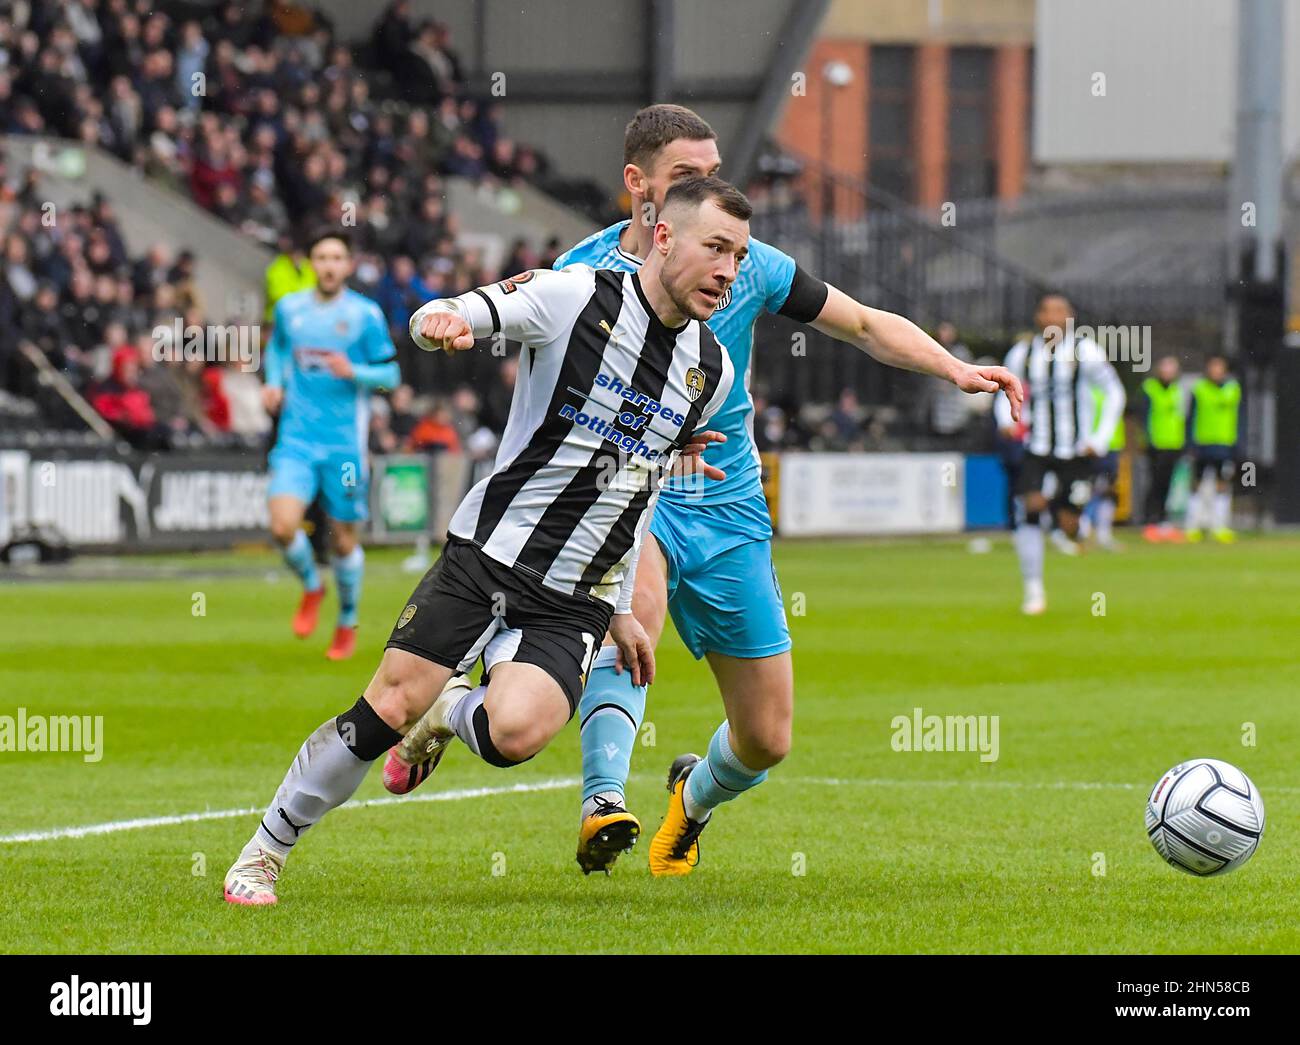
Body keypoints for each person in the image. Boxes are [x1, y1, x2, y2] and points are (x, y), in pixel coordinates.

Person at [387, 105, 1021, 878]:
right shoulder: (580, 273)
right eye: (689, 175)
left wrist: (955, 368)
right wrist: (455, 328)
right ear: (639, 185)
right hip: (624, 498)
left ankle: (691, 796)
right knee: (634, 613)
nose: (710, 187)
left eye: (715, 172)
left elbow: (858, 324)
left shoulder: (744, 260)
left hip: (730, 505)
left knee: (766, 736)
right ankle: (603, 801)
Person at [223, 176, 741, 905]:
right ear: (664, 237)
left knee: (516, 734)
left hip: (577, 595)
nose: (728, 270)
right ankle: (263, 852)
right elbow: (477, 304)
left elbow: (640, 489)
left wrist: (623, 605)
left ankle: (450, 709)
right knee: (384, 713)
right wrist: (444, 317)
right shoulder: (575, 296)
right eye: (716, 248)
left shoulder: (710, 371)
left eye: (739, 256)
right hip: (488, 556)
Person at [262, 230, 400, 661]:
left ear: (348, 265)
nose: (328, 265)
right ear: (311, 263)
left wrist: (354, 371)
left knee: (342, 540)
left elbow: (391, 375)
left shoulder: (365, 315)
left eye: (336, 257)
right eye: (321, 256)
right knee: (283, 526)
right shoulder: (290, 309)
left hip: (344, 447)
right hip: (297, 440)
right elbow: (279, 349)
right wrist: (272, 382)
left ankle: (347, 618)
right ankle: (311, 585)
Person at [994, 292, 1124, 615]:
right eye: (1047, 311)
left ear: (1070, 318)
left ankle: (1069, 519)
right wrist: (1005, 420)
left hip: (1076, 451)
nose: (1052, 317)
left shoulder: (1086, 352)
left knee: (1069, 525)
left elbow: (1114, 392)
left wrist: (1100, 437)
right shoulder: (1022, 353)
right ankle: (1033, 590)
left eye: (1059, 312)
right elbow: (1003, 390)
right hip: (1036, 447)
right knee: (1031, 510)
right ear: (1038, 317)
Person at [1185, 355, 1241, 543]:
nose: (1216, 371)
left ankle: (1220, 526)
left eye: (1219, 367)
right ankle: (1193, 526)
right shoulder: (1199, 388)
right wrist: (1190, 444)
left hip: (1224, 444)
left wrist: (1239, 444)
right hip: (1202, 444)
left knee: (1222, 486)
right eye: (1213, 367)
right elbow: (1190, 417)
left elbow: (1241, 418)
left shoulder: (1233, 389)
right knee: (1196, 484)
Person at [1139, 355, 1188, 542]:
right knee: (1155, 483)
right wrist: (1147, 439)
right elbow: (1143, 417)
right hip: (1156, 444)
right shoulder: (1150, 388)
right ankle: (1150, 521)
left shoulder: (1178, 389)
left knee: (1168, 484)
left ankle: (1163, 522)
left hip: (1174, 443)